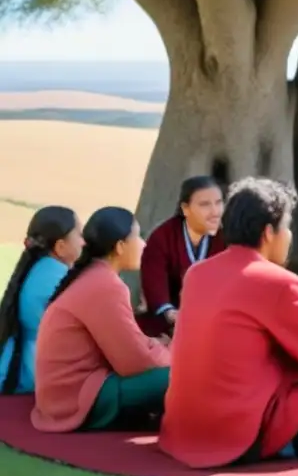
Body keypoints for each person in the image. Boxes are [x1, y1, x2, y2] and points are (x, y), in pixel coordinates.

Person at [159, 177, 298, 469]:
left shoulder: (197, 273)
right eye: (286, 227)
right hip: (239, 432)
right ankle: (290, 442)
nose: (288, 236)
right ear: (268, 233)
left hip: (183, 430)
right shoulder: (277, 282)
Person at [31, 207, 171, 433]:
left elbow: (129, 344)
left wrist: (157, 346)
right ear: (120, 246)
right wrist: (172, 354)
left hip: (62, 395)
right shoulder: (105, 285)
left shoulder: (94, 275)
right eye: (138, 237)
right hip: (74, 399)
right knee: (181, 375)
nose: (144, 244)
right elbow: (133, 361)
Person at [0, 207, 84, 394]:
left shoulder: (40, 268)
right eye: (79, 234)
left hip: (22, 366)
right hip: (35, 376)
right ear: (60, 247)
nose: (84, 242)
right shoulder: (58, 279)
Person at [136, 176, 225, 337]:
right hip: (167, 324)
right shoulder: (162, 237)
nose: (215, 212)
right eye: (205, 204)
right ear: (185, 208)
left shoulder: (226, 237)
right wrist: (169, 312)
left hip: (213, 323)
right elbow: (154, 285)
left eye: (218, 203)